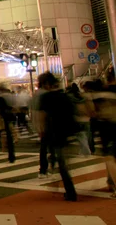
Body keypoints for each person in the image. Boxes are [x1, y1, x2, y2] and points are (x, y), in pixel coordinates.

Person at [37, 71, 78, 201]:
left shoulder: (46, 98)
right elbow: (73, 112)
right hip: (69, 131)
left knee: (62, 164)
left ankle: (71, 193)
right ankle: (68, 189)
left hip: (55, 133)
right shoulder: (65, 96)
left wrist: (42, 131)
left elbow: (42, 116)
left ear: (47, 84)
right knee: (63, 162)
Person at [0, 83, 16, 163]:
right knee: (9, 135)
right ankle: (11, 155)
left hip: (2, 118)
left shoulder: (0, 98)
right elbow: (13, 106)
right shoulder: (11, 96)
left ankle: (6, 151)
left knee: (3, 135)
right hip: (11, 117)